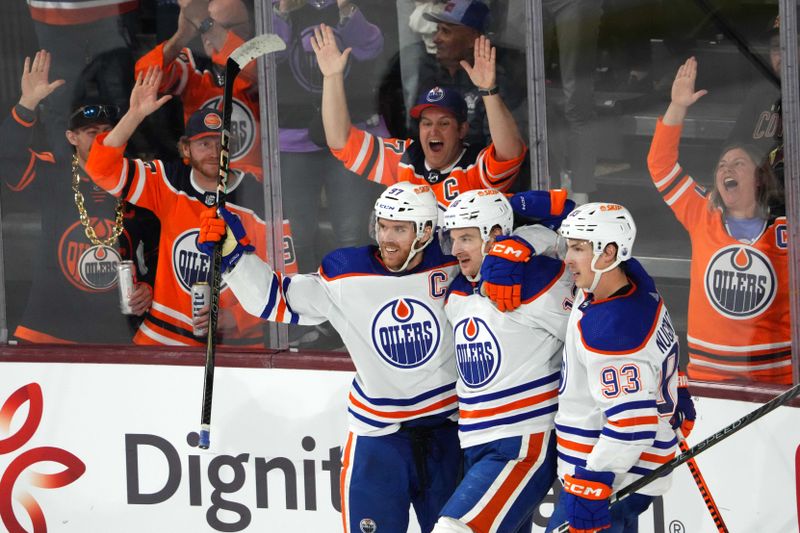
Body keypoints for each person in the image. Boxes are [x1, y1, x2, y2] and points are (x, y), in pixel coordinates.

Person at [198, 181, 462, 532]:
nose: (387, 238)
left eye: (400, 229)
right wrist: (233, 256)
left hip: (448, 432)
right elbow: (272, 298)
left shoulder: (456, 265)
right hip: (378, 439)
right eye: (383, 226)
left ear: (427, 230)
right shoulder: (346, 274)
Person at [85, 67, 276, 347]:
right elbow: (101, 169)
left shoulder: (259, 196)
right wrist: (135, 114)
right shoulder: (168, 182)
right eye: (204, 144)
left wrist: (238, 320)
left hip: (233, 344)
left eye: (221, 143)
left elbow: (286, 277)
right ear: (185, 150)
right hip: (163, 333)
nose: (214, 152)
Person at [434, 189, 572, 533]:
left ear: (496, 235)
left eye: (466, 237)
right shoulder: (458, 292)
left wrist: (528, 239)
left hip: (524, 441)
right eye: (453, 238)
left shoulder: (539, 280)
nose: (456, 250)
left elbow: (587, 250)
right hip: (476, 441)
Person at [648, 57, 791, 385]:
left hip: (777, 381)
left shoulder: (787, 230)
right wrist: (677, 107)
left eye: (739, 163)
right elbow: (661, 164)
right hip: (706, 379)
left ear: (760, 178)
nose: (727, 169)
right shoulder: (702, 213)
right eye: (722, 164)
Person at [0, 50, 156, 344]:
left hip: (115, 334)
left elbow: (161, 244)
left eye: (107, 130)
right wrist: (27, 104)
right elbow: (7, 160)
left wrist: (149, 285)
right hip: (47, 329)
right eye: (89, 131)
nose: (100, 137)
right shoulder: (53, 173)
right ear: (71, 137)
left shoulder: (139, 179)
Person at [546, 202, 680, 533]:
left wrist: (594, 480)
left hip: (610, 476)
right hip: (631, 469)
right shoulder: (633, 280)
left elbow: (633, 424)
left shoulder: (612, 330)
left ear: (607, 253)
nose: (568, 258)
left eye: (577, 248)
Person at [314, 23, 526, 212]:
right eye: (426, 123)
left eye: (444, 123)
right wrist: (332, 77)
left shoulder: (474, 166)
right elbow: (340, 141)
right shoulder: (406, 160)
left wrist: (488, 91)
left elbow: (510, 153)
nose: (433, 131)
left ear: (462, 130)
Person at [135, 0, 263, 176]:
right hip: (203, 184)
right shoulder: (195, 69)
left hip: (253, 188)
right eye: (202, 28)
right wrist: (181, 37)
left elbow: (252, 70)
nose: (208, 35)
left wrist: (205, 23)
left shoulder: (262, 62)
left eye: (217, 27)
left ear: (246, 28)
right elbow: (145, 77)